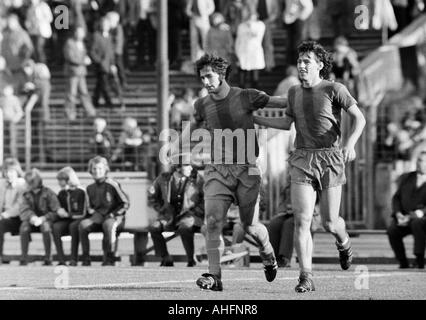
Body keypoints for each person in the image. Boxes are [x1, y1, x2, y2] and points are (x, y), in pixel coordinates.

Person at [254, 41, 366, 293]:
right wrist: (255, 118)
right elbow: (287, 123)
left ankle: (344, 243)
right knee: (302, 220)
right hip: (303, 158)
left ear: (320, 65)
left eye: (307, 61)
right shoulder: (294, 92)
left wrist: (349, 144)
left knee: (329, 222)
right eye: (300, 60)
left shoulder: (335, 88)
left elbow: (360, 118)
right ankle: (306, 276)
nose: (301, 65)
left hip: (330, 158)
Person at [190, 53, 287, 291]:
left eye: (209, 76)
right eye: (202, 77)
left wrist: (310, 96)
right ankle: (215, 277)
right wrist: (181, 146)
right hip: (217, 169)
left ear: (221, 75)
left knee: (250, 226)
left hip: (247, 169)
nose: (205, 81)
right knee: (212, 222)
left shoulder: (246, 96)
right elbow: (196, 126)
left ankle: (267, 252)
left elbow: (280, 102)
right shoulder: (201, 104)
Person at [148, 152, 204, 267]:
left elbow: (206, 199)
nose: (190, 168)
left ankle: (191, 259)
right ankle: (165, 257)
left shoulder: (198, 179)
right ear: (178, 167)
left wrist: (197, 211)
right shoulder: (163, 179)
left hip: (190, 215)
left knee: (185, 227)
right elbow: (151, 197)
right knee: (154, 227)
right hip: (168, 216)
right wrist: (161, 209)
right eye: (187, 165)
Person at [79, 156, 129, 266]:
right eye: (94, 169)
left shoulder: (112, 184)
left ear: (105, 169)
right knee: (83, 225)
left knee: (108, 225)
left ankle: (109, 258)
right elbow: (89, 207)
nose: (97, 171)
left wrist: (113, 214)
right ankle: (86, 259)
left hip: (115, 217)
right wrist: (93, 213)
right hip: (99, 217)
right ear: (90, 170)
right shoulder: (89, 188)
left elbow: (125, 203)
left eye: (100, 169)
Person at [387, 151, 426, 269]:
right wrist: (398, 214)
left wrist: (421, 213)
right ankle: (403, 262)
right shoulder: (407, 177)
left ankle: (420, 260)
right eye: (419, 160)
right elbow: (396, 198)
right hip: (404, 217)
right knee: (392, 229)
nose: (420, 163)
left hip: (422, 218)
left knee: (417, 223)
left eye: (423, 161)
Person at [19, 168, 61, 266]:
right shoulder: (26, 194)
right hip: (31, 220)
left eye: (28, 182)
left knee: (45, 228)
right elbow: (24, 209)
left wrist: (43, 218)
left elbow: (55, 210)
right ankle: (24, 257)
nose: (26, 184)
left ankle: (48, 257)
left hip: (46, 220)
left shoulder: (48, 192)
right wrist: (32, 217)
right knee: (24, 228)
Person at [52, 167, 87, 266]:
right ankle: (61, 259)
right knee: (56, 227)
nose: (59, 182)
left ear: (69, 179)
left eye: (61, 180)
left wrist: (68, 215)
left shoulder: (81, 192)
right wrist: (59, 211)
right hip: (67, 219)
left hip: (79, 218)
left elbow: (83, 212)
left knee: (73, 226)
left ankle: (73, 259)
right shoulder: (62, 193)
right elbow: (59, 208)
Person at [0, 158, 26, 264]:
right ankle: (2, 256)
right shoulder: (2, 184)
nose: (8, 174)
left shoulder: (22, 185)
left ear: (16, 172)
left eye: (11, 171)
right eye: (6, 171)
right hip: (5, 217)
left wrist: (5, 214)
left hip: (19, 218)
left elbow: (20, 207)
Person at [235, 10, 266, 88]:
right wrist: (237, 52)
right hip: (243, 52)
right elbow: (238, 39)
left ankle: (255, 94)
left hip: (255, 52)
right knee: (242, 75)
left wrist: (249, 25)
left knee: (255, 77)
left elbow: (255, 34)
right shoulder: (241, 26)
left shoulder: (260, 25)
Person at [90, 17, 115, 108]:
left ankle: (94, 101)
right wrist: (99, 61)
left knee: (100, 85)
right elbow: (92, 51)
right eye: (103, 24)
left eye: (106, 25)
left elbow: (111, 52)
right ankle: (109, 103)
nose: (105, 26)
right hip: (100, 66)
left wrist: (112, 64)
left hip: (107, 65)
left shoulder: (109, 36)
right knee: (104, 84)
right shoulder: (96, 35)